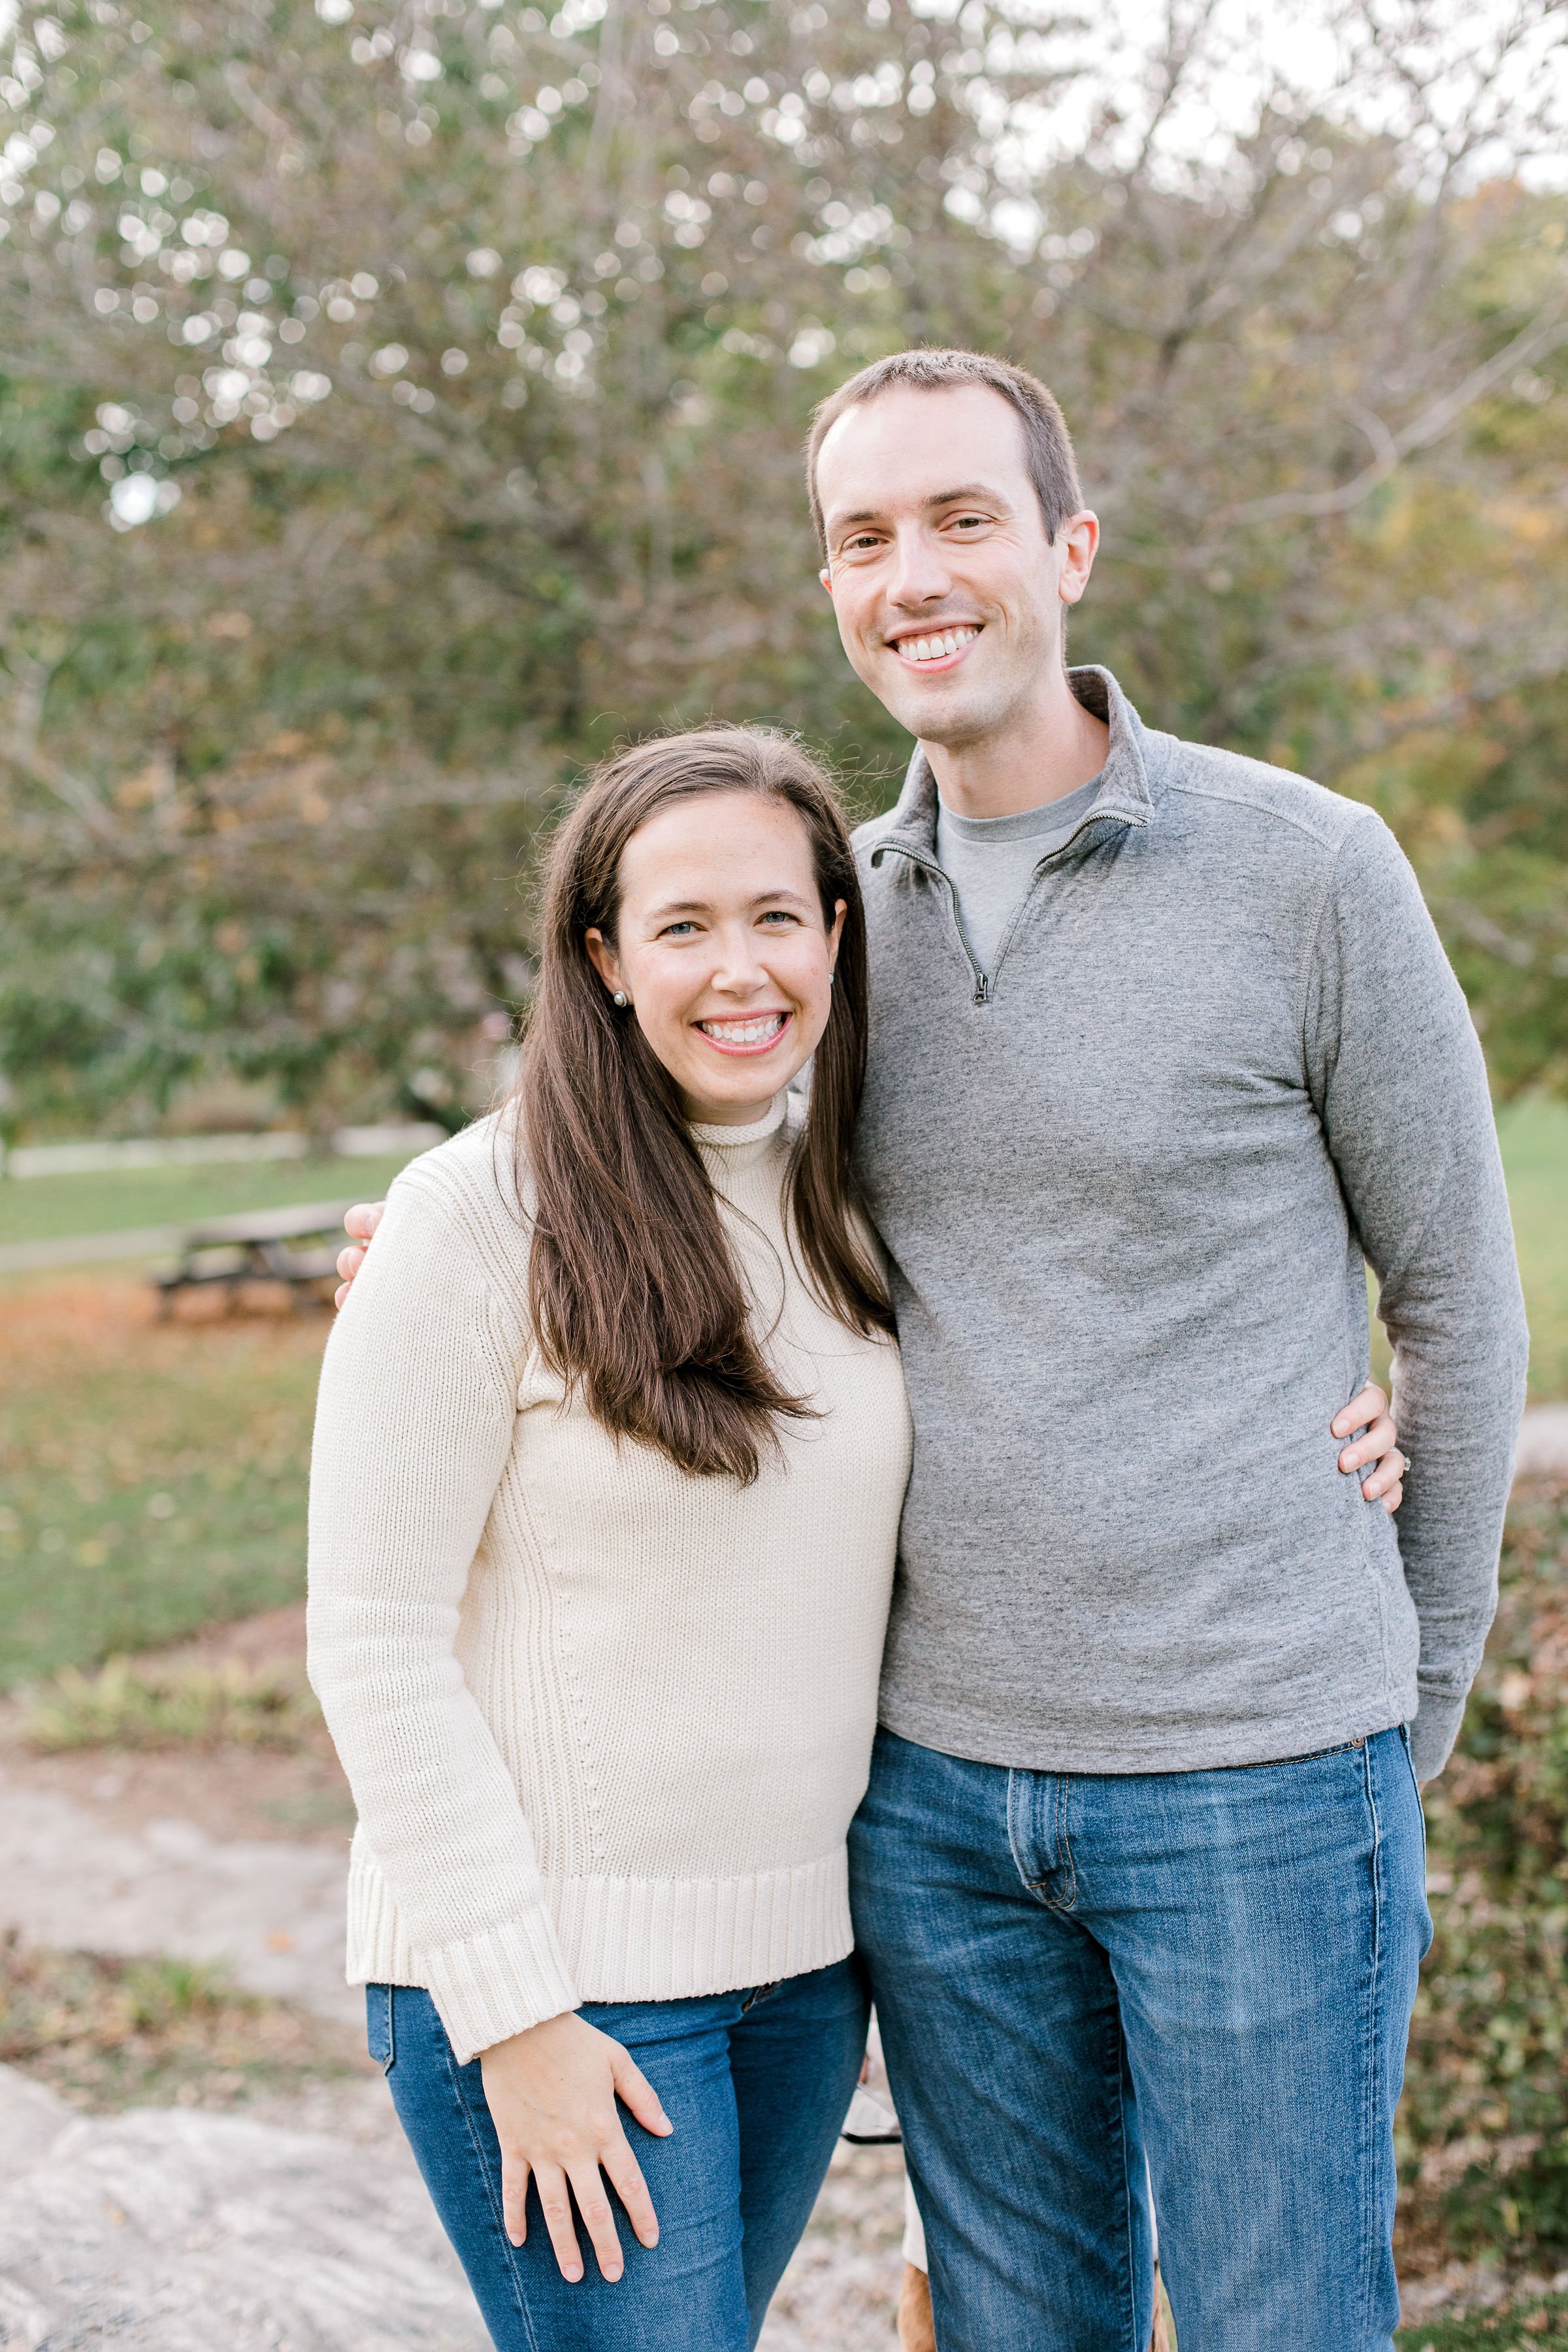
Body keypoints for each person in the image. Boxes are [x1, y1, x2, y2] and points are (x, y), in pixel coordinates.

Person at [331, 348, 1458, 2352]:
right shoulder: (835, 907)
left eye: (964, 519)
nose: (916, 572)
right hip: (931, 1814)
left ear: (1070, 549)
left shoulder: (1307, 872)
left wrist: (1407, 1707)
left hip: (1256, 1773)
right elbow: (630, 1184)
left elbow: (1458, 1293)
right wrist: (420, 1252)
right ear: (832, 585)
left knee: (1291, 2323)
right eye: (866, 535)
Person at [308, 728, 914, 2352]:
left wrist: (1359, 1415)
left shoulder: (855, 1208)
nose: (742, 970)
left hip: (803, 1982)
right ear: (604, 956)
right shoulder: (475, 1215)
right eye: (685, 926)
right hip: (563, 1992)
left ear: (839, 935)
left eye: (781, 918)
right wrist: (518, 2017)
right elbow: (371, 1638)